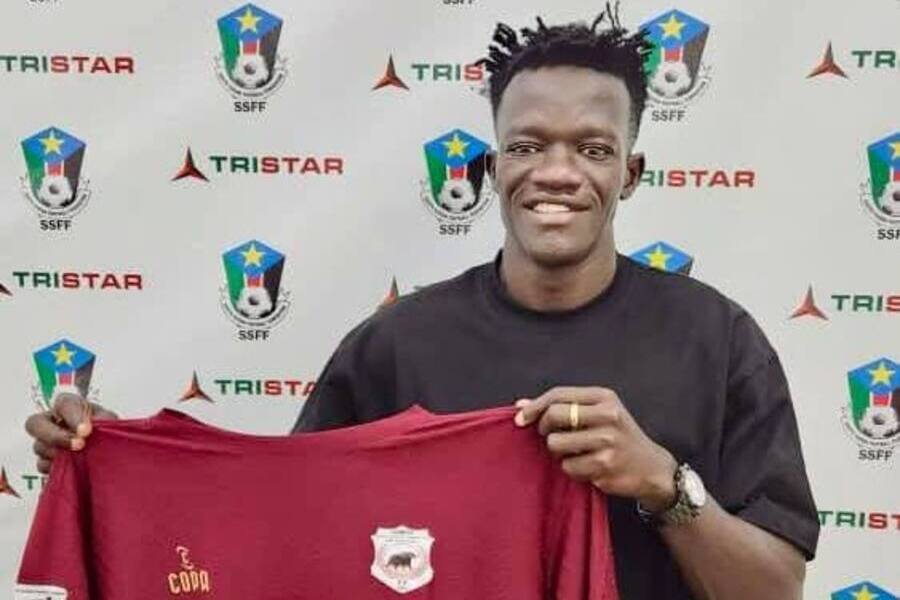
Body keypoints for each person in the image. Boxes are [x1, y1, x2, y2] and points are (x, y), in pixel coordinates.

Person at [25, 9, 818, 599]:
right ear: (492, 168)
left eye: (593, 148)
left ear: (631, 173)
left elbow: (776, 590)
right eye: (527, 145)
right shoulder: (396, 345)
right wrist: (115, 465)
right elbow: (277, 525)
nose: (557, 172)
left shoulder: (717, 340)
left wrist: (662, 484)